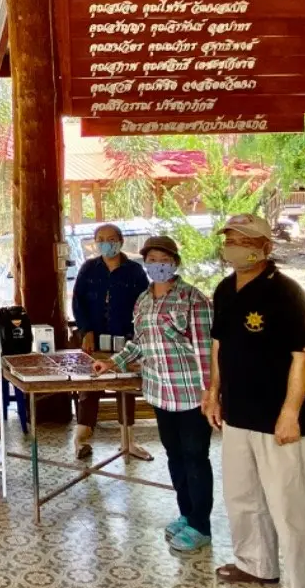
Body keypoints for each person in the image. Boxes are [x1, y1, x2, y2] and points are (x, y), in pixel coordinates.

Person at [202, 213, 305, 588]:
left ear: (266, 247)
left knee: (291, 507)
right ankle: (255, 563)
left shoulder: (287, 293)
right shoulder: (225, 289)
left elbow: (303, 358)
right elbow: (219, 347)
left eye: (245, 241)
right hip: (237, 414)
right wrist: (214, 393)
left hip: (278, 419)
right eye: (230, 240)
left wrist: (290, 413)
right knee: (243, 497)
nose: (234, 247)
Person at [98, 235, 214, 552]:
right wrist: (113, 362)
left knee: (195, 458)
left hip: (191, 393)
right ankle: (186, 514)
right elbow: (140, 342)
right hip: (160, 391)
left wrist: (211, 392)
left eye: (164, 260)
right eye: (151, 260)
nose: (157, 266)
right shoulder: (143, 300)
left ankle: (201, 525)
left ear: (175, 263)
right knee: (174, 456)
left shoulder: (193, 298)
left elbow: (206, 350)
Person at [71, 223, 149, 459]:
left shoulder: (135, 271)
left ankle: (128, 440)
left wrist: (136, 336)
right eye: (101, 239)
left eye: (112, 239)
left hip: (125, 339)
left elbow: (144, 303)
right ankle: (81, 440)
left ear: (121, 241)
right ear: (96, 243)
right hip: (93, 340)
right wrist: (86, 330)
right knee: (89, 387)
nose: (107, 243)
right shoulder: (88, 268)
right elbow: (78, 301)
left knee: (125, 386)